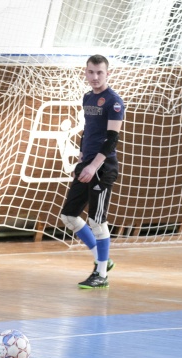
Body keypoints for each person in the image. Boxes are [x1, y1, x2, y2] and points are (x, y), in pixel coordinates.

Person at [60, 54, 124, 289]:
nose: (95, 77)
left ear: (107, 74)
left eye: (100, 72)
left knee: (97, 220)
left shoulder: (114, 102)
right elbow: (88, 130)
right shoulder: (88, 97)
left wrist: (93, 166)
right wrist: (81, 156)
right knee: (68, 216)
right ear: (85, 73)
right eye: (91, 72)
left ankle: (101, 275)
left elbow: (111, 139)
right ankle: (102, 258)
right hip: (86, 163)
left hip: (102, 168)